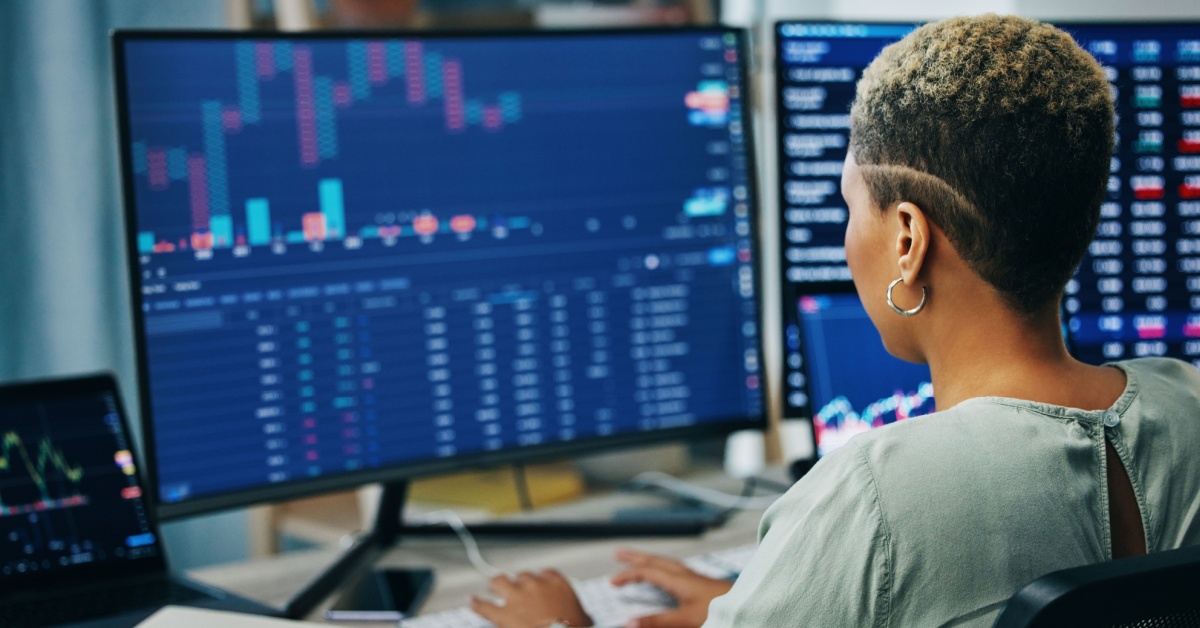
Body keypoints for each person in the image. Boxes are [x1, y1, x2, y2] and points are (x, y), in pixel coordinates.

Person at [468, 14, 1200, 627]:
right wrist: (749, 604)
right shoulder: (1187, 405)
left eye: (852, 207)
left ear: (908, 239)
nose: (848, 241)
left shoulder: (873, 494)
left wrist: (562, 625)